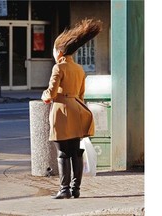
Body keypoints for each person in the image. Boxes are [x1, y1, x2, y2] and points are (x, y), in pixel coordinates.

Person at [41, 19, 103, 199]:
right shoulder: (79, 69)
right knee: (76, 151)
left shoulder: (58, 67)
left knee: (62, 154)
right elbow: (81, 94)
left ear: (59, 52)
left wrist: (44, 96)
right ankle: (76, 189)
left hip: (61, 111)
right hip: (78, 109)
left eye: (54, 50)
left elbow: (51, 93)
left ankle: (64, 190)